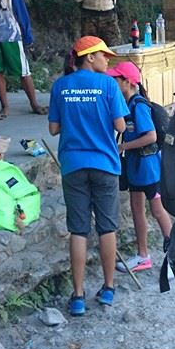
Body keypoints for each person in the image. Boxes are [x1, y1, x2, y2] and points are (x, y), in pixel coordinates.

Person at [47, 35, 128, 316]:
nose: (108, 60)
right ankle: (107, 289)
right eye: (104, 55)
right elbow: (120, 124)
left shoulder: (60, 86)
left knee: (78, 230)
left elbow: (53, 129)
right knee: (107, 228)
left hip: (73, 165)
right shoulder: (107, 85)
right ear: (89, 57)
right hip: (105, 164)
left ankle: (78, 295)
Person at [105, 61, 173, 273]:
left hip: (148, 165)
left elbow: (150, 136)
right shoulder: (125, 105)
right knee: (137, 209)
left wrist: (123, 146)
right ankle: (143, 256)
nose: (112, 82)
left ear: (128, 82)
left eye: (116, 79)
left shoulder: (139, 105)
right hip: (136, 164)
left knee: (157, 210)